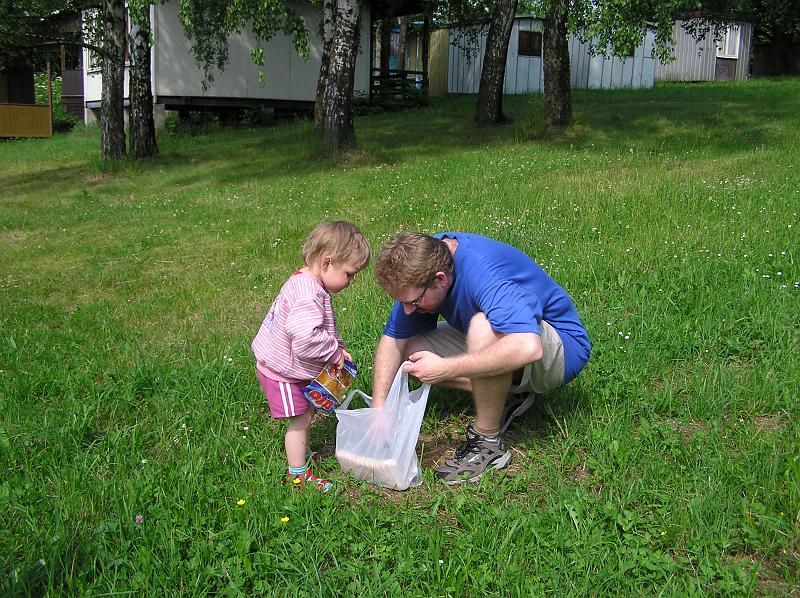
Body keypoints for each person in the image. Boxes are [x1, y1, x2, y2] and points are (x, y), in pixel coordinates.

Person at [371, 232, 590, 485]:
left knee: (483, 328)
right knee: (411, 346)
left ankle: (488, 444)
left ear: (439, 279)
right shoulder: (424, 260)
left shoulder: (484, 273)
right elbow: (393, 341)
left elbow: (528, 347)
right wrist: (379, 410)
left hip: (560, 348)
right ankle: (503, 395)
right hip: (519, 341)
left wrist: (446, 368)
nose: (408, 310)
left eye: (413, 301)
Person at [252, 221, 370, 492]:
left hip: (287, 364)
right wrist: (332, 351)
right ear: (327, 262)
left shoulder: (305, 280)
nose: (352, 282)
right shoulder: (308, 294)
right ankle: (298, 475)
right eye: (350, 274)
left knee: (306, 414)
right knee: (300, 420)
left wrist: (335, 348)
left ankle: (301, 457)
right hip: (281, 371)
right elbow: (305, 339)